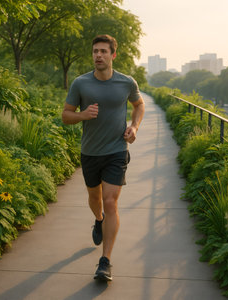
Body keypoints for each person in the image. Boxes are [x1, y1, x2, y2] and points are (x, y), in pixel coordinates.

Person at [61, 34, 144, 282]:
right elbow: (66, 115)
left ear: (113, 55)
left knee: (110, 202)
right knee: (95, 200)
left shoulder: (126, 83)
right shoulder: (80, 83)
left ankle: (105, 261)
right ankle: (98, 220)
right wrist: (83, 115)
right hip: (90, 152)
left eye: (103, 51)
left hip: (117, 151)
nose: (98, 55)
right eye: (95, 51)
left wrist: (134, 127)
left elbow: (139, 105)